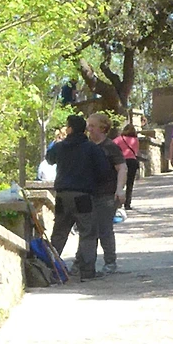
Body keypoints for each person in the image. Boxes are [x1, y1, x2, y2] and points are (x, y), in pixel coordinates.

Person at [45, 113, 116, 282]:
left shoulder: (60, 147)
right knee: (87, 234)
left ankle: (51, 271)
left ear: (70, 129)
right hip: (83, 195)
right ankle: (87, 272)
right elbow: (104, 171)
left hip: (62, 195)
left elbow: (49, 159)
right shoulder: (91, 148)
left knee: (59, 233)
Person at [86, 112, 128, 274]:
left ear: (103, 128)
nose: (89, 129)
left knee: (104, 229)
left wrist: (119, 189)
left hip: (106, 194)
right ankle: (84, 263)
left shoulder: (110, 147)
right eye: (88, 126)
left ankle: (110, 262)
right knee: (88, 230)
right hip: (88, 193)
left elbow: (122, 168)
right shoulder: (86, 146)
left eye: (93, 126)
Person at [114, 121, 141, 209]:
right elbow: (136, 151)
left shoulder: (119, 139)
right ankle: (127, 204)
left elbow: (112, 146)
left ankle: (118, 202)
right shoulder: (135, 140)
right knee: (130, 183)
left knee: (120, 182)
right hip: (132, 161)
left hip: (121, 161)